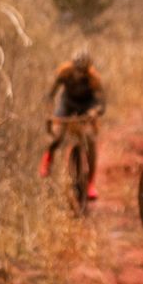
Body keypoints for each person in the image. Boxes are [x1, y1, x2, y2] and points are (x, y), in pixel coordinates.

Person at [40, 49, 105, 199]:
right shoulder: (64, 73)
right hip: (67, 104)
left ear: (88, 70)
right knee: (58, 135)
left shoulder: (94, 79)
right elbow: (51, 95)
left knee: (90, 139)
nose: (79, 74)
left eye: (83, 71)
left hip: (87, 106)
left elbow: (102, 103)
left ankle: (90, 184)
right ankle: (48, 157)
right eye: (77, 69)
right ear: (72, 66)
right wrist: (50, 113)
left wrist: (95, 112)